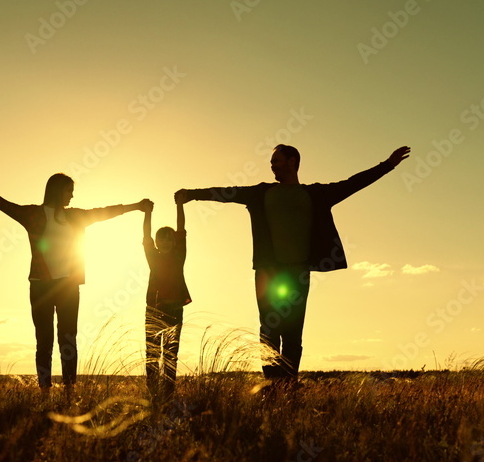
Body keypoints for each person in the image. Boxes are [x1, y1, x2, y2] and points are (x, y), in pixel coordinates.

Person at [175, 145, 410, 385]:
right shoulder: (261, 193)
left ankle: (287, 385)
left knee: (292, 334)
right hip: (268, 272)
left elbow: (352, 184)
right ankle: (272, 383)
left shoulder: (315, 194)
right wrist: (192, 194)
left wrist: (387, 165)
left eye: (276, 161)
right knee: (268, 331)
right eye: (271, 162)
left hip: (297, 274)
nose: (272, 165)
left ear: (292, 161)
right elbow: (226, 193)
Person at [0, 174, 150, 390]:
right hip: (40, 285)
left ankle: (70, 390)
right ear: (56, 190)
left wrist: (137, 206)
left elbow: (103, 212)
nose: (72, 195)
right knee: (44, 341)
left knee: (68, 339)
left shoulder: (75, 216)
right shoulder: (33, 214)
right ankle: (45, 391)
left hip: (68, 286)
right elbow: (3, 204)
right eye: (68, 190)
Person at [142, 198, 191, 398]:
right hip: (153, 309)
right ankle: (152, 393)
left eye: (169, 238)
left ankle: (168, 394)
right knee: (152, 354)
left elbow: (181, 229)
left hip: (174, 310)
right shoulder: (152, 257)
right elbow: (145, 235)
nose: (166, 242)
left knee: (171, 354)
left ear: (174, 242)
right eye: (161, 238)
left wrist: (180, 205)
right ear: (156, 242)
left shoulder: (179, 255)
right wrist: (147, 212)